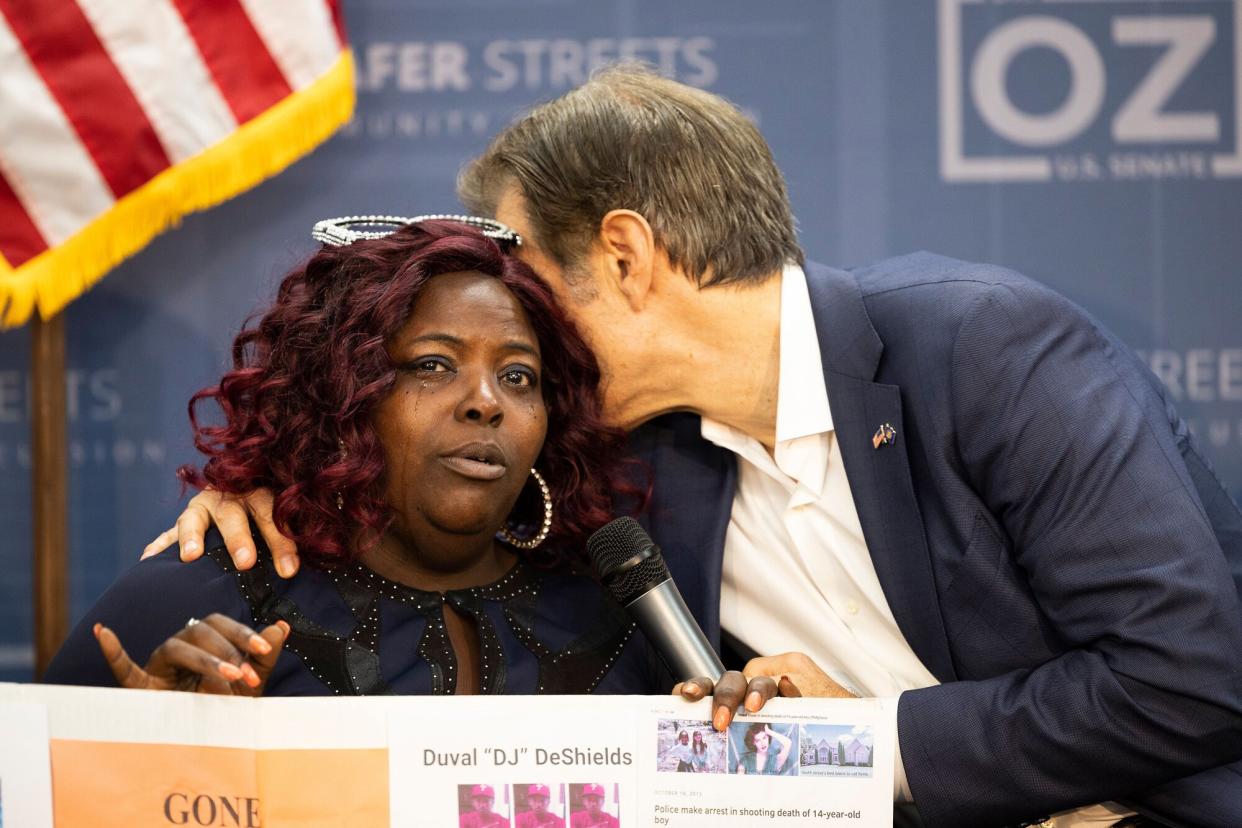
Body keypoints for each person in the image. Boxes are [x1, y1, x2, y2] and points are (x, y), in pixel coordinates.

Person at [147, 66, 1242, 826]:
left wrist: (869, 746)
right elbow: (441, 493)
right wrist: (271, 489)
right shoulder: (639, 468)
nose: (514, 321)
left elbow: (1191, 679)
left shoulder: (983, 348)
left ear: (624, 256)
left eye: (529, 273)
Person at [44, 218, 659, 698]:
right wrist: (146, 754)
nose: (485, 402)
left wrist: (742, 734)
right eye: (432, 365)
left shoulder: (620, 618)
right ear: (344, 396)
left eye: (518, 376)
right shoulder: (204, 595)